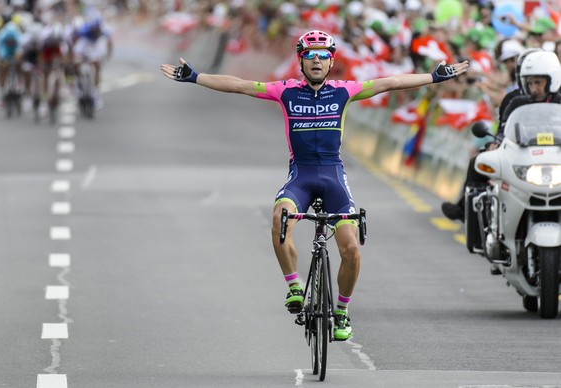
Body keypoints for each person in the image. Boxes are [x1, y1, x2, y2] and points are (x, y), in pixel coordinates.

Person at [160, 30, 468, 341]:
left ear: (332, 61)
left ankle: (342, 311)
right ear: (301, 61)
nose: (317, 60)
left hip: (333, 176)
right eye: (310, 55)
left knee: (351, 249)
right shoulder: (285, 91)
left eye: (323, 56)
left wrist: (433, 77)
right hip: (301, 177)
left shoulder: (345, 91)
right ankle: (294, 287)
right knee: (280, 218)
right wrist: (195, 77)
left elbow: (389, 82)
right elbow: (239, 86)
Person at [441, 48, 543, 223]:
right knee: (477, 162)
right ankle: (469, 211)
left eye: (539, 82)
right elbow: (503, 128)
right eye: (530, 82)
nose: (534, 88)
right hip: (518, 153)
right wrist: (497, 142)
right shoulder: (514, 99)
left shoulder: (559, 99)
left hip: (552, 156)